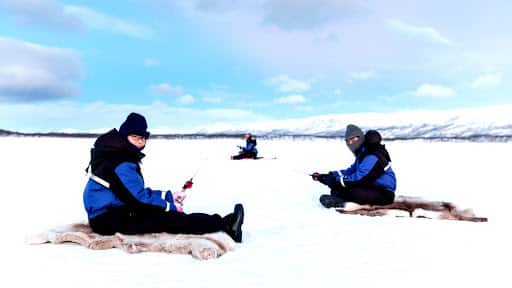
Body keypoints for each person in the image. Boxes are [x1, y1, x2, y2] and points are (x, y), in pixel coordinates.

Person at [83, 112, 245, 243]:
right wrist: (170, 207)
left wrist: (168, 196)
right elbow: (138, 200)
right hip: (107, 219)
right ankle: (226, 225)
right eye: (135, 138)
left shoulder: (117, 155)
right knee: (168, 219)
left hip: (112, 210)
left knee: (163, 215)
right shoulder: (121, 162)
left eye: (142, 138)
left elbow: (133, 192)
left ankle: (223, 223)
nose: (140, 143)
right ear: (124, 137)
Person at [312, 124, 396, 208]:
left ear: (360, 138)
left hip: (384, 193)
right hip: (372, 187)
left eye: (353, 139)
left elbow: (360, 178)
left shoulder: (372, 156)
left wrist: (335, 180)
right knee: (337, 189)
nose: (350, 143)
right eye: (348, 141)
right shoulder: (363, 154)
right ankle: (347, 201)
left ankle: (349, 205)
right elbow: (351, 171)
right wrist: (329, 175)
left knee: (352, 191)